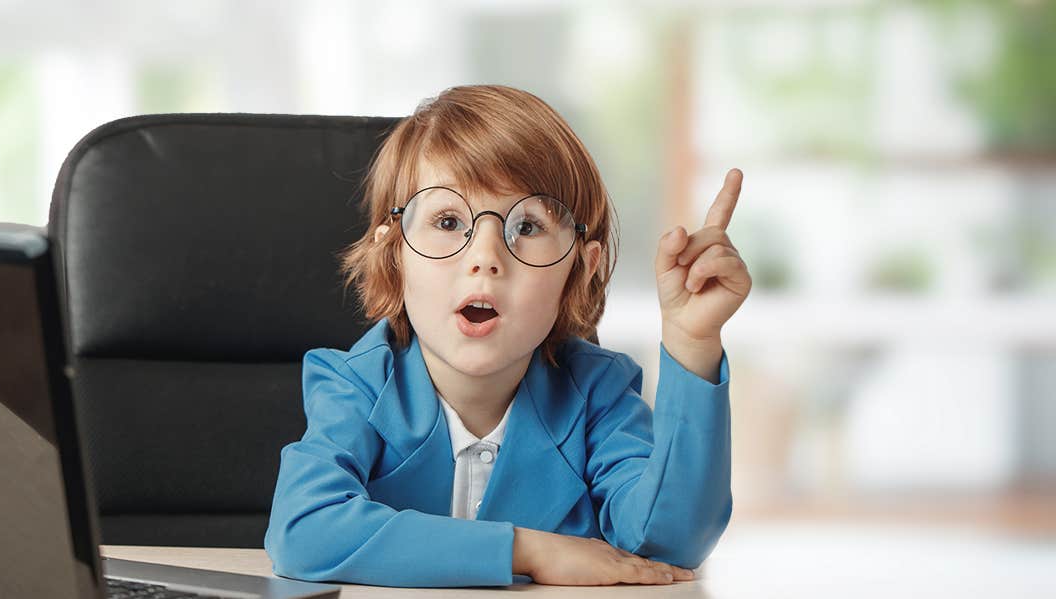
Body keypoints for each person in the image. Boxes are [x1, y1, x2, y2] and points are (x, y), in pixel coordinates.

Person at [264, 84, 751, 588]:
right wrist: (526, 549)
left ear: (579, 270)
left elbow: (665, 549)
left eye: (528, 226)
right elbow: (303, 531)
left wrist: (693, 342)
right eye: (448, 220)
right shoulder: (355, 386)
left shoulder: (599, 395)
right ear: (395, 254)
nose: (486, 257)